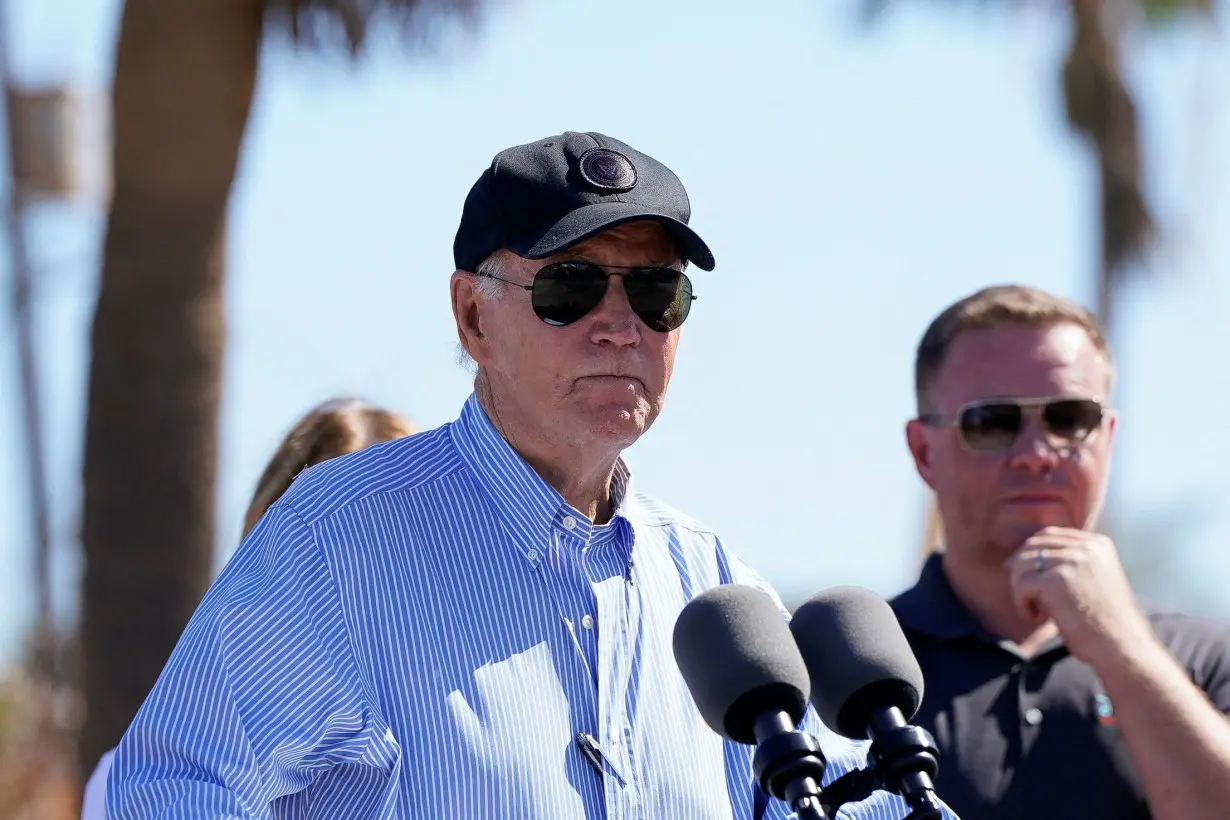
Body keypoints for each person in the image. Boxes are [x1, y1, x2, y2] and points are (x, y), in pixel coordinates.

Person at [106, 131, 957, 819]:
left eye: (657, 294)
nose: (620, 327)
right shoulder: (339, 540)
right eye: (571, 288)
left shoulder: (714, 586)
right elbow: (169, 793)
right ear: (473, 315)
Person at [891, 284, 1230, 819]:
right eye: (992, 422)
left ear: (1107, 438)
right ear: (923, 452)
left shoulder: (1205, 659)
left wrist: (1118, 642)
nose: (1036, 454)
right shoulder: (854, 672)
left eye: (1069, 418)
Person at [81, 398, 414, 820]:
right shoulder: (143, 784)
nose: (330, 604)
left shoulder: (481, 755)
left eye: (379, 569)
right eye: (293, 569)